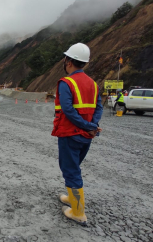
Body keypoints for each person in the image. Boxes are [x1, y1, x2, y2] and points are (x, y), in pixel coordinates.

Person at [52, 43, 103, 226]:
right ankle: (72, 198)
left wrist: (87, 125)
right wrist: (92, 126)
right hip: (86, 135)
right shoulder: (93, 83)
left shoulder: (67, 83)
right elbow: (99, 107)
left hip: (69, 133)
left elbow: (68, 110)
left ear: (69, 61)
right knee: (74, 166)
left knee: (71, 169)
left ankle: (78, 211)